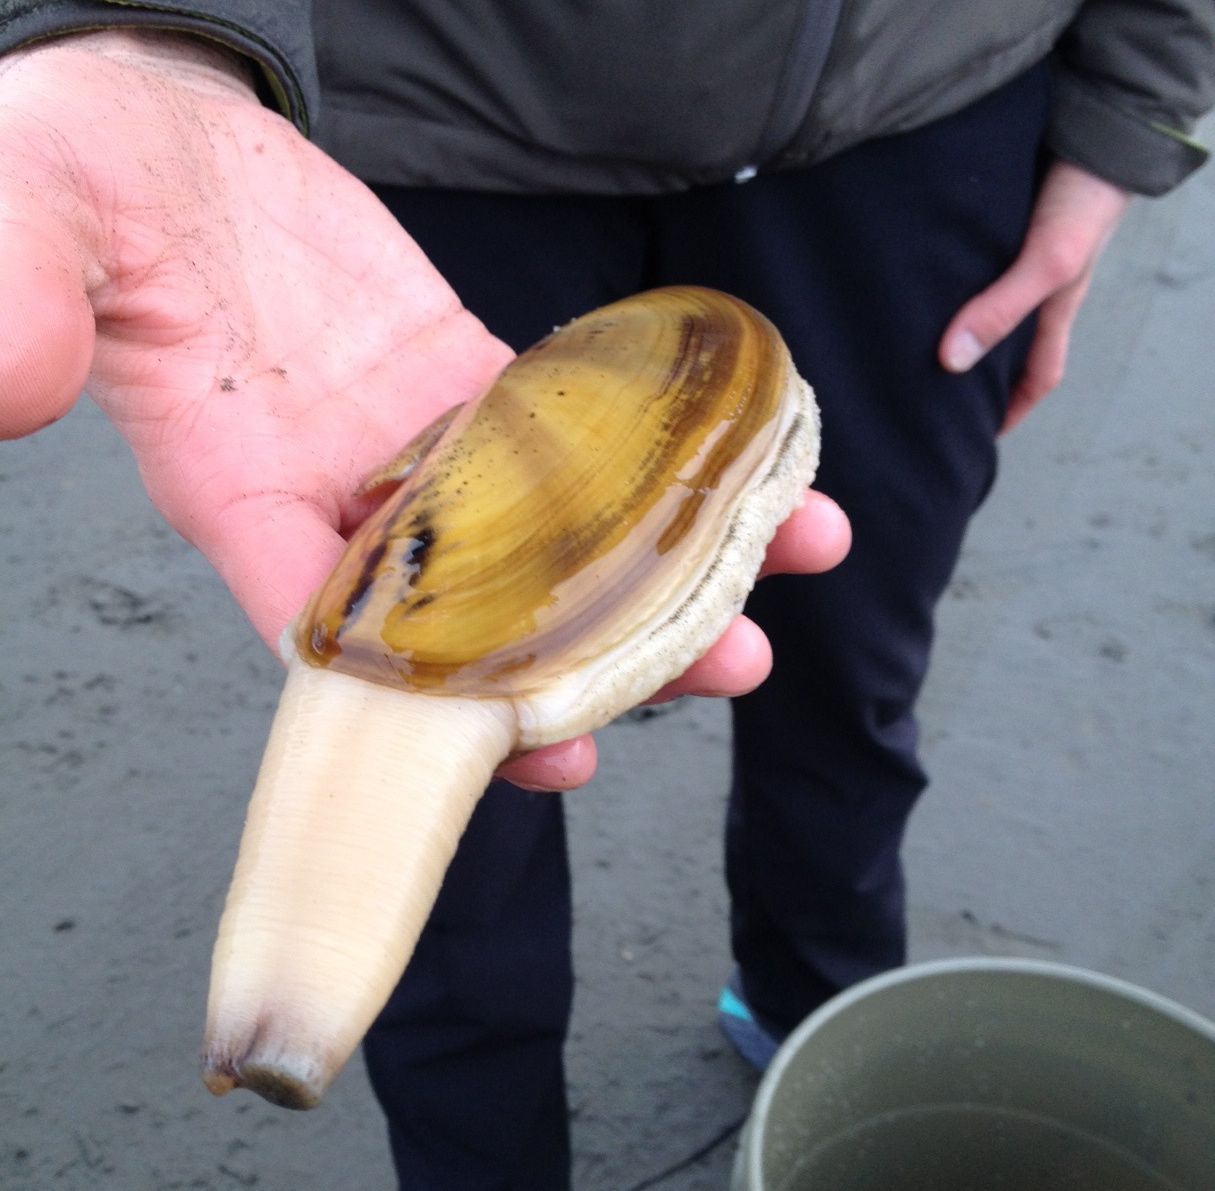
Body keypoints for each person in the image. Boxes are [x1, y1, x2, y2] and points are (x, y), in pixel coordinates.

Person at [0, 4, 1211, 1189]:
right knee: (460, 801)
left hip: (917, 106)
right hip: (430, 119)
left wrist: (1132, 109)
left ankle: (819, 1015)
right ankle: (471, 1155)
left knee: (853, 656)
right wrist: (136, 28)